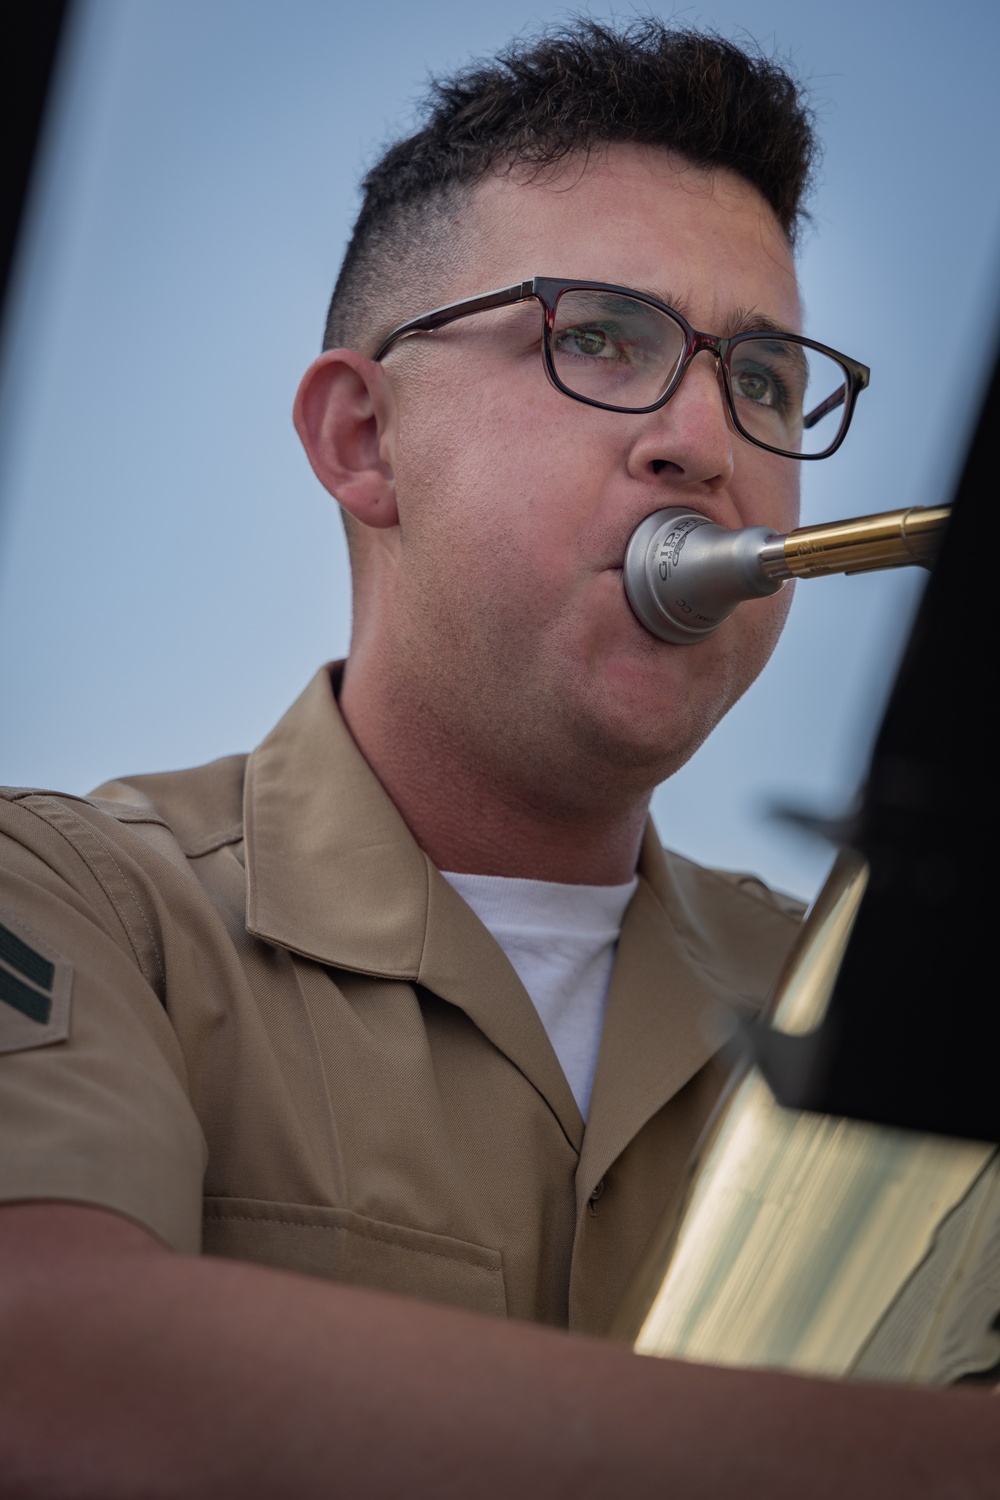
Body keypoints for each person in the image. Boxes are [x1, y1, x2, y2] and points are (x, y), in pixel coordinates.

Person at [0, 19, 994, 1496]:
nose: (707, 442)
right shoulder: (69, 895)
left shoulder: (902, 1012)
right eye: (600, 336)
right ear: (363, 439)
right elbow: (47, 1368)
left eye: (767, 381)